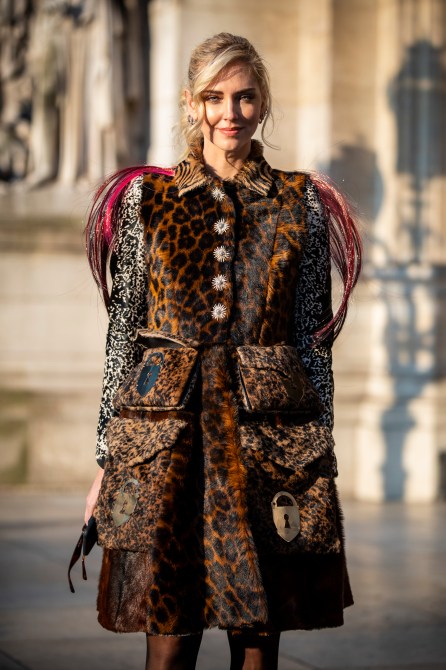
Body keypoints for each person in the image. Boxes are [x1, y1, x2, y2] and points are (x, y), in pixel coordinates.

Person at [84, 32, 361, 670]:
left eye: (244, 97)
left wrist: (318, 457)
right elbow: (123, 338)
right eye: (214, 97)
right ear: (191, 103)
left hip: (266, 448)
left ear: (263, 103)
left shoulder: (301, 204)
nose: (229, 113)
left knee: (258, 646)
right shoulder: (144, 202)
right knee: (169, 646)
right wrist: (106, 460)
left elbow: (312, 341)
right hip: (167, 449)